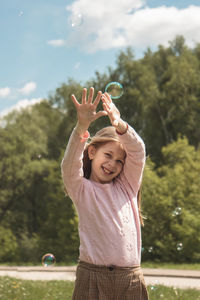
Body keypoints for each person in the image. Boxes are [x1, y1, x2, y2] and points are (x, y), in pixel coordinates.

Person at [61, 87, 149, 300]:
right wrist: (82, 126)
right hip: (92, 277)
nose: (112, 164)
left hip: (130, 278)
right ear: (92, 152)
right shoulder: (81, 189)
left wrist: (119, 124)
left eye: (120, 161)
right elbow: (69, 164)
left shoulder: (127, 186)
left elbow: (138, 152)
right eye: (108, 155)